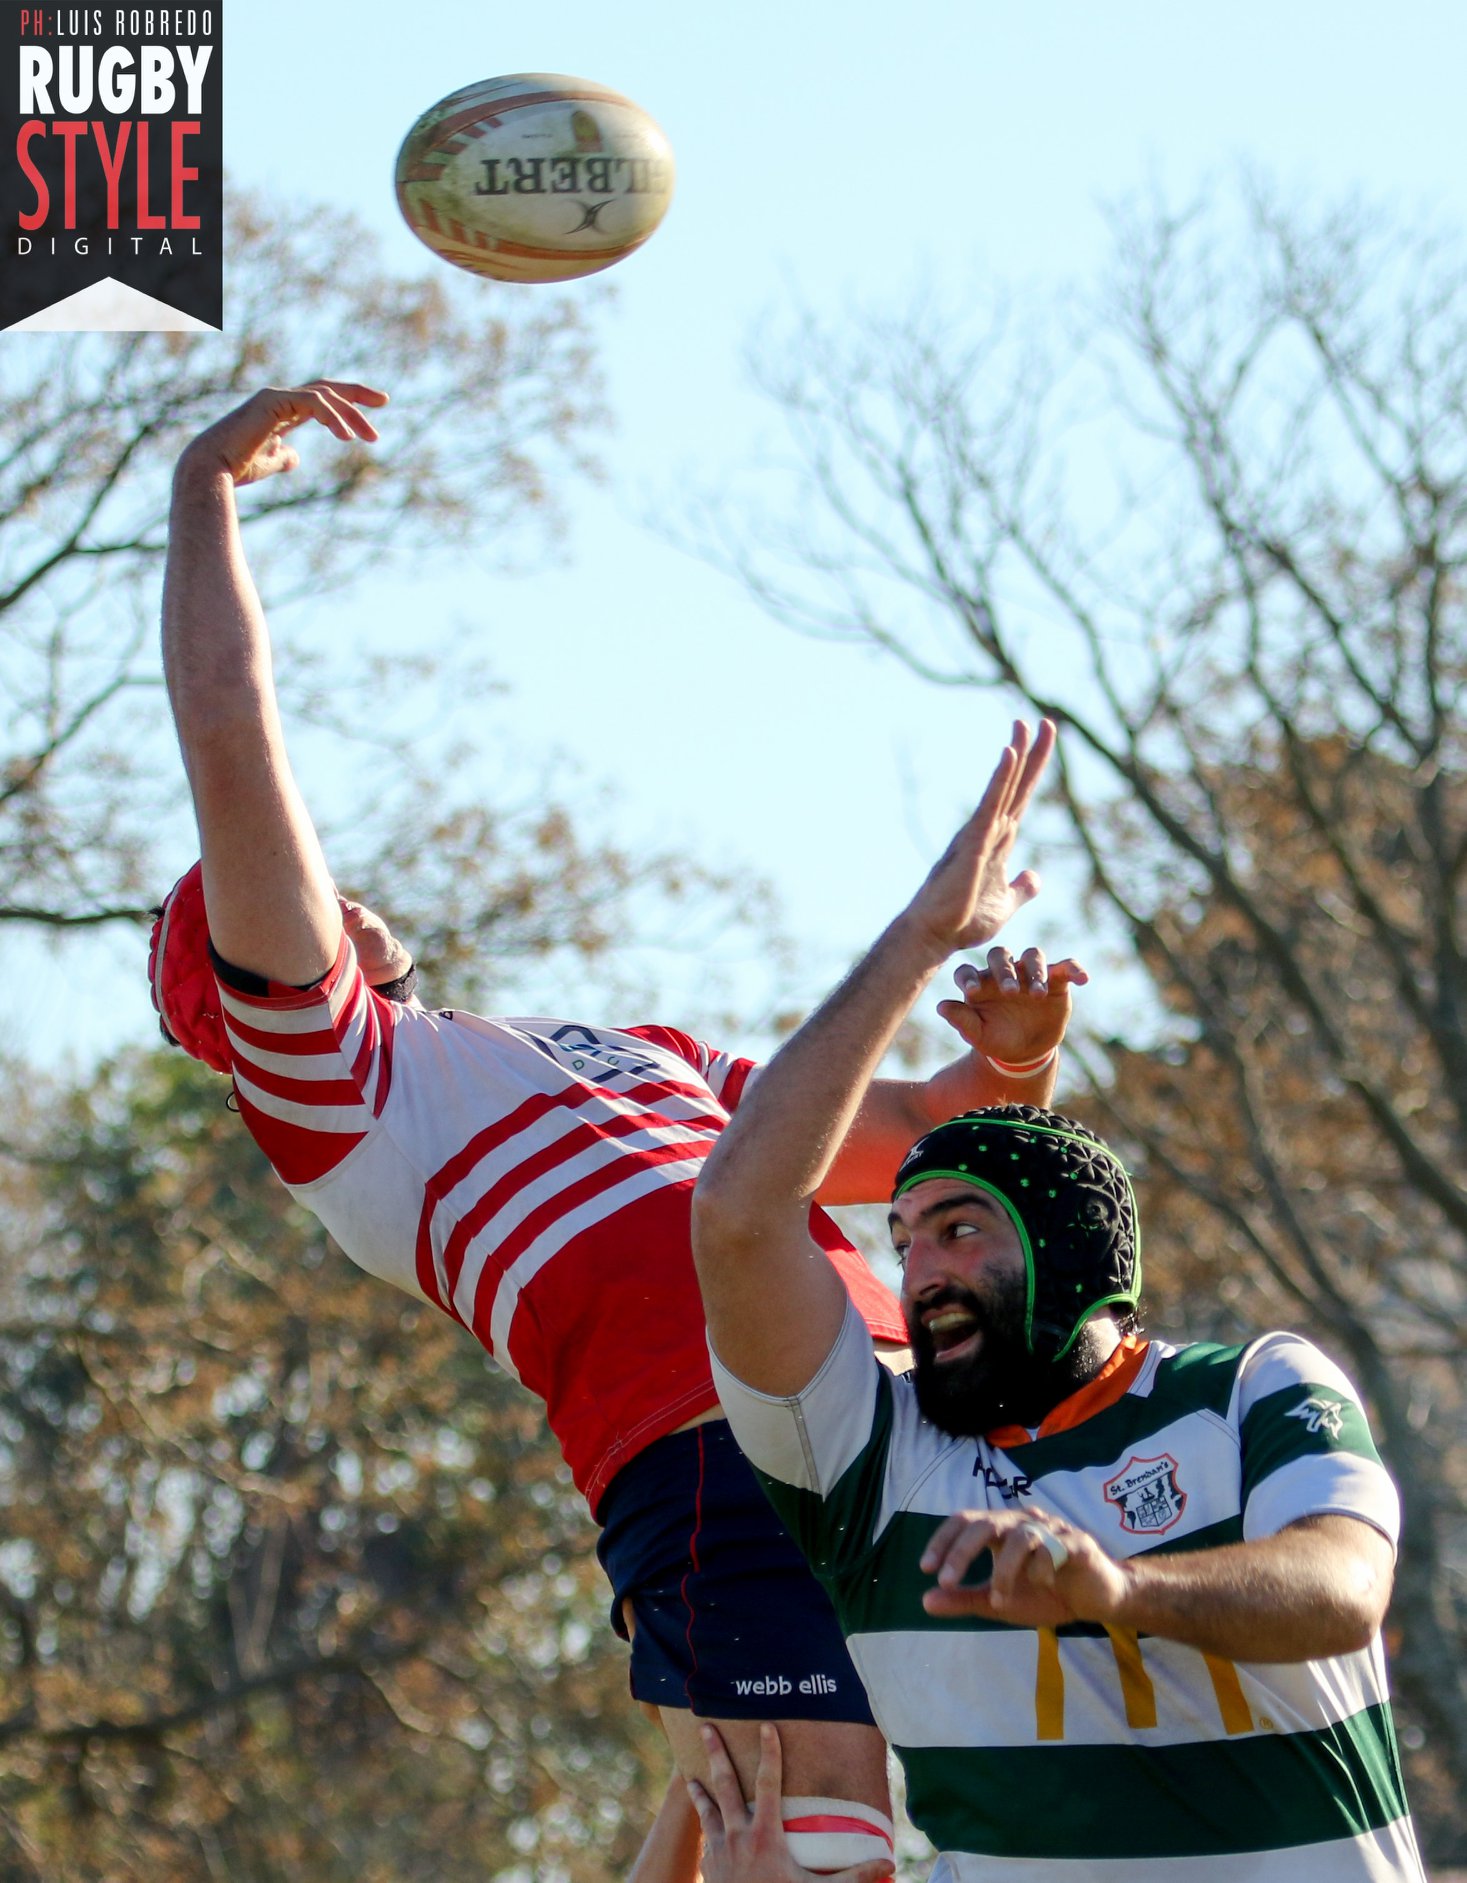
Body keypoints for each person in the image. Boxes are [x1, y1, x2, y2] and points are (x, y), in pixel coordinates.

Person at [151, 379, 1081, 1868]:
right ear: (247, 990)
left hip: (908, 1410)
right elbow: (229, 723)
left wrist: (1010, 1066)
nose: (307, 880)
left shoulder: (624, 1046)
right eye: (261, 905)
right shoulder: (341, 1092)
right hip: (707, 1437)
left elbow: (902, 1129)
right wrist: (202, 490)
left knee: (954, 1790)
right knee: (798, 1809)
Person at [691, 722, 1426, 1881]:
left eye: (961, 1227)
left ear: (1077, 1254)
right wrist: (924, 936)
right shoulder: (868, 1456)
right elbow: (739, 1209)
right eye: (903, 1237)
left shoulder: (1252, 1386)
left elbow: (1339, 1587)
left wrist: (1116, 1590)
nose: (918, 1269)